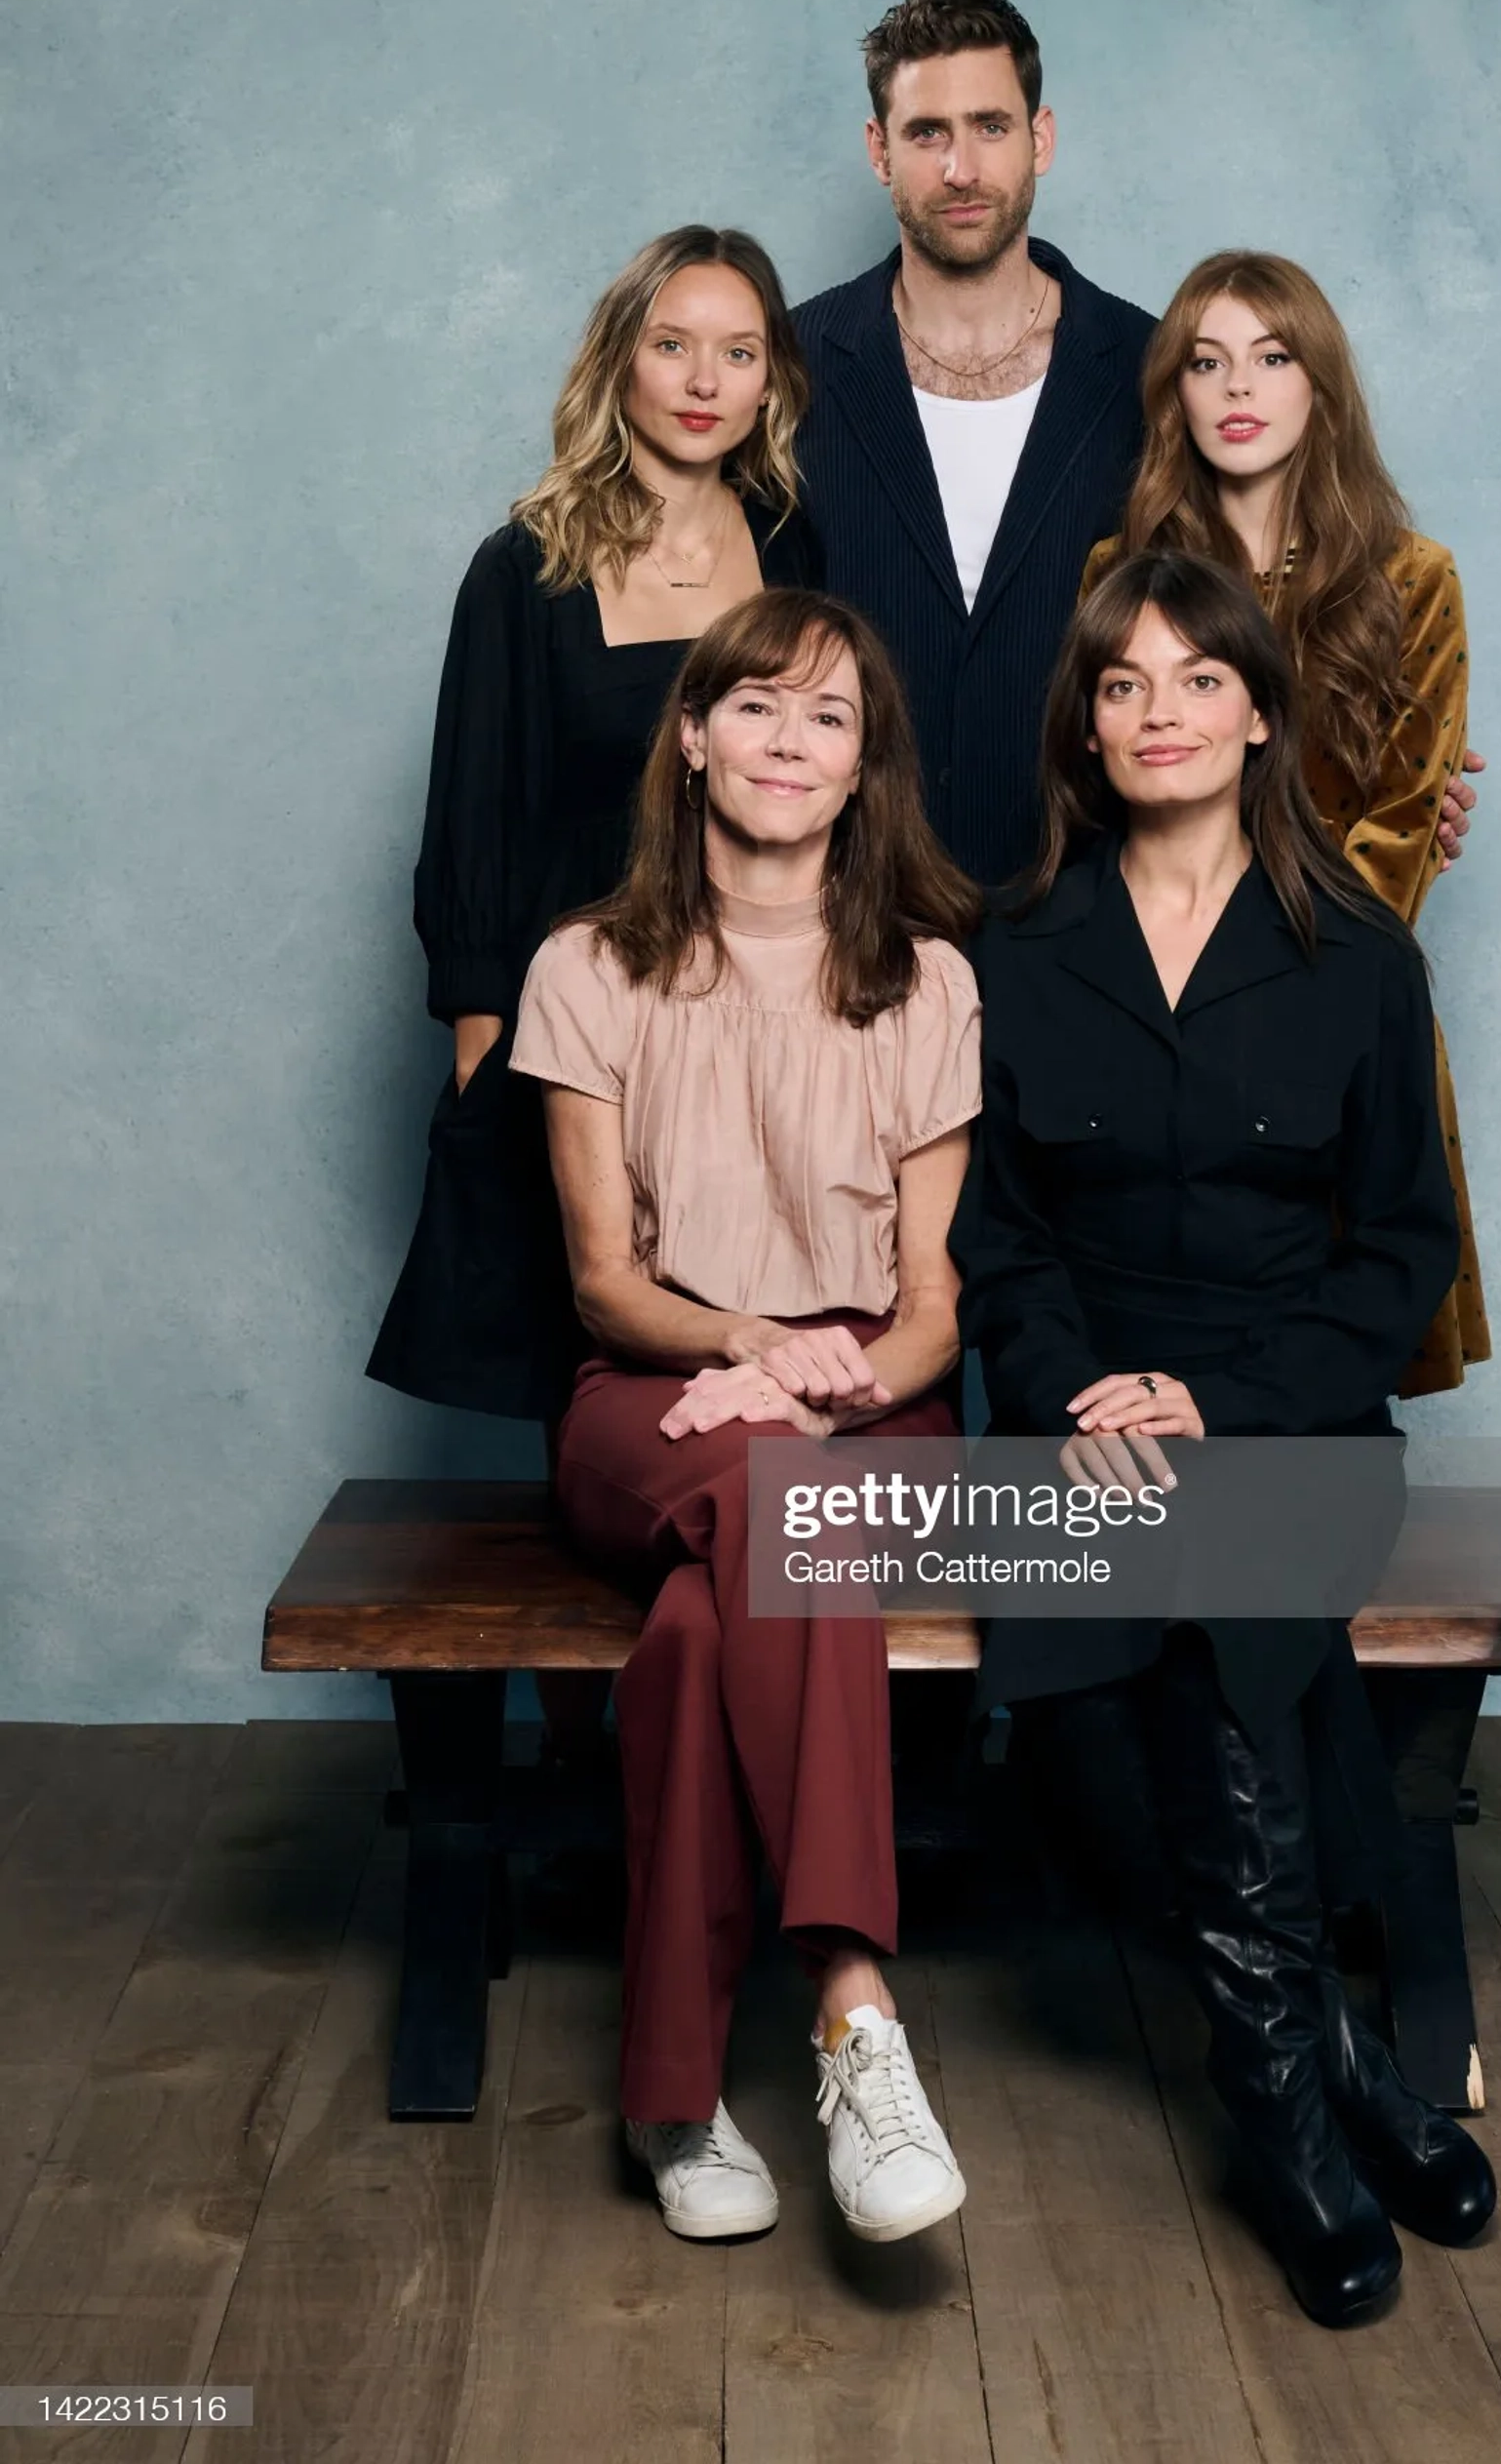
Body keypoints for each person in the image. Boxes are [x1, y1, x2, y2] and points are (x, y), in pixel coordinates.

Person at [956, 550, 1496, 2325]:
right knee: (1156, 1636)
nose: (1158, 713)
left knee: (1216, 1578)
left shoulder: (1358, 954)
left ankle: (1279, 2097)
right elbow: (997, 1236)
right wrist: (1069, 1393)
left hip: (1292, 1417)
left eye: (1197, 681)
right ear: (1087, 725)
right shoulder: (1014, 951)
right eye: (1122, 685)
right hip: (1084, 1413)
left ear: (1259, 713)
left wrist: (1226, 1400)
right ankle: (1325, 2067)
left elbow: (1403, 1251)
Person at [511, 589, 979, 2245]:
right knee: (776, 1496)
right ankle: (856, 2007)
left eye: (830, 717)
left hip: (871, 1411)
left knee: (716, 1628)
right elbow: (600, 1284)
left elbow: (930, 1308)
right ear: (694, 737)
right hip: (655, 1397)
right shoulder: (584, 963)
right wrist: (752, 1347)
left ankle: (671, 2095)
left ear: (866, 769)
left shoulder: (928, 980)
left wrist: (816, 1378)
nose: (791, 741)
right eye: (758, 708)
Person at [792, 0, 1481, 894]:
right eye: (927, 133)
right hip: (839, 909)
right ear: (880, 150)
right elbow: (709, 621)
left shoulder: (1162, 371)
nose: (961, 169)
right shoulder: (787, 367)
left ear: (1041, 139)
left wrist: (1400, 762)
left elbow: (1267, 596)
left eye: (992, 126)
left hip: (1093, 929)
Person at [369, 225, 817, 1428]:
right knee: (581, 1348)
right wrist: (480, 1041)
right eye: (674, 346)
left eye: (739, 350)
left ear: (772, 377)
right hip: (579, 1013)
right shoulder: (525, 567)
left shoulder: (795, 551)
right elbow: (472, 820)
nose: (706, 381)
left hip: (752, 1006)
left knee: (731, 1350)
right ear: (623, 361)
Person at [1083, 250, 1490, 1395]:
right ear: (1175, 394)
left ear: (1321, 385)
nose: (1239, 389)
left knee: (1319, 1341)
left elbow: (1403, 827)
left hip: (1338, 997)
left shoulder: (1410, 578)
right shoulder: (1120, 573)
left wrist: (1259, 989)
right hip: (1151, 994)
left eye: (1272, 358)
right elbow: (1099, 798)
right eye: (1206, 364)